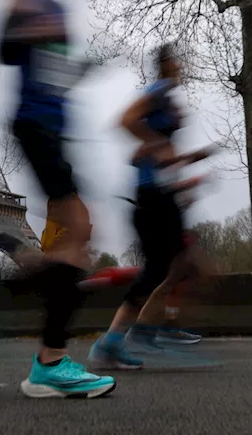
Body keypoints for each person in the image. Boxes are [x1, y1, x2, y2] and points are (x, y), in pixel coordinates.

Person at [0, 0, 114, 399]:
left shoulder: (57, 4)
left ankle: (31, 270)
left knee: (80, 234)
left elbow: (53, 73)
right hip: (35, 123)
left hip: (54, 127)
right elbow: (5, 48)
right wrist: (32, 28)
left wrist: (79, 69)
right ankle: (49, 361)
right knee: (80, 230)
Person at [89, 45, 212, 370]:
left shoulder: (168, 97)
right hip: (152, 195)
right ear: (167, 64)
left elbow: (160, 153)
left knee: (175, 266)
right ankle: (125, 337)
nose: (183, 67)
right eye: (178, 62)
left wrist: (188, 159)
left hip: (161, 191)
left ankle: (134, 334)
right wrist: (156, 146)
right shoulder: (158, 91)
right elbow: (126, 119)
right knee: (164, 268)